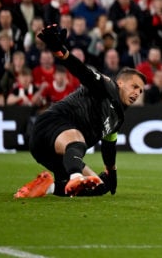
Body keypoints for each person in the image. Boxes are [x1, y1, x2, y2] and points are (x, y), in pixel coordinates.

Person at [13, 24, 146, 198]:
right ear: (120, 82)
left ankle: (46, 186)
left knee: (98, 187)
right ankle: (75, 176)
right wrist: (62, 52)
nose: (137, 92)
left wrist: (111, 172)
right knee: (77, 144)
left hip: (54, 155)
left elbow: (108, 146)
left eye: (141, 91)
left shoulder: (118, 118)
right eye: (134, 86)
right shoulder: (107, 85)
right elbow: (83, 72)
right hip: (50, 126)